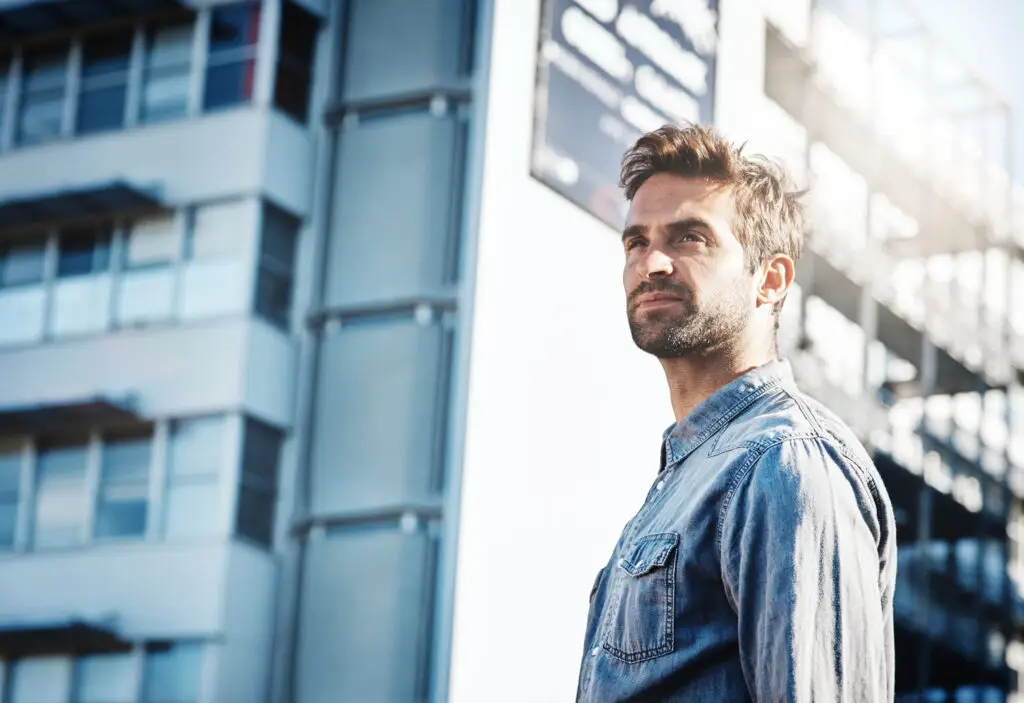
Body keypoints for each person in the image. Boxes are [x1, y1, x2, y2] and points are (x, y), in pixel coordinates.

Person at [575, 124, 897, 702]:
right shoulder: (688, 477)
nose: (653, 264)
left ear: (770, 280)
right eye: (636, 242)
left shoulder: (784, 461)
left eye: (690, 238)